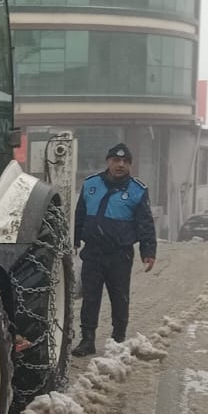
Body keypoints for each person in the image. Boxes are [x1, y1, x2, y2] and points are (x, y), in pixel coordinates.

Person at [72, 143, 156, 357]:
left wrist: (149, 251)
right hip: (93, 252)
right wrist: (74, 241)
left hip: (120, 253)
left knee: (120, 297)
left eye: (125, 162)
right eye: (116, 160)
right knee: (90, 297)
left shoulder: (138, 190)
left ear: (129, 165)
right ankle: (87, 339)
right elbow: (79, 214)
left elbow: (145, 223)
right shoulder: (91, 184)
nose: (120, 165)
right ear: (108, 161)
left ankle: (118, 339)